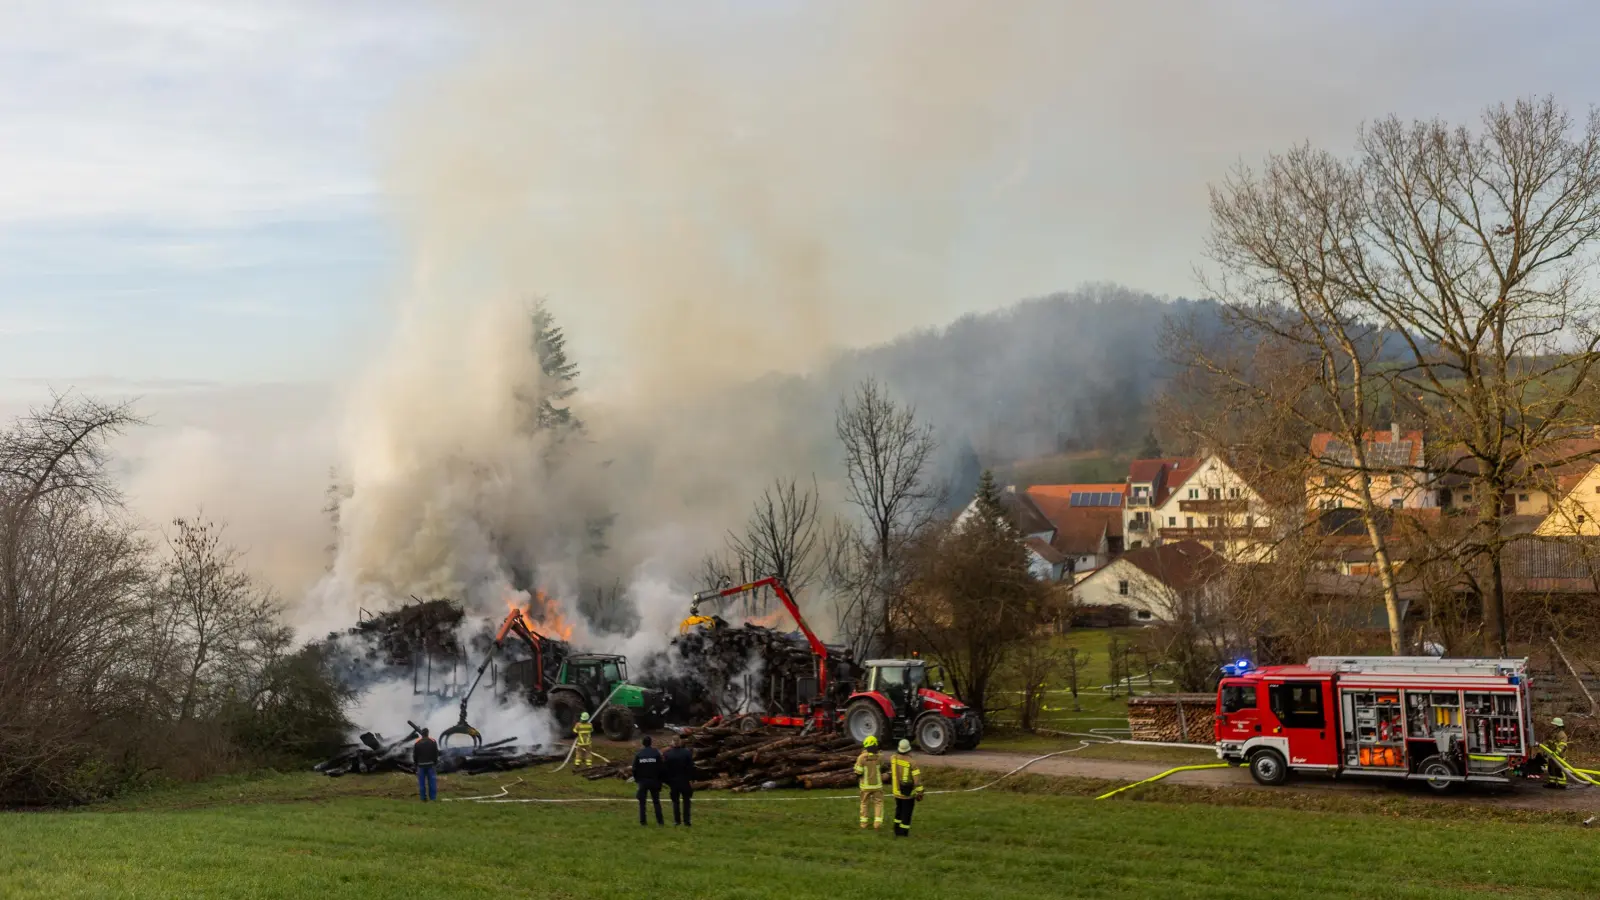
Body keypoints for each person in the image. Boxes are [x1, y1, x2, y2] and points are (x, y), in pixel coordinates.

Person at [889, 739, 924, 837]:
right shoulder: (912, 762)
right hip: (908, 794)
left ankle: (896, 829)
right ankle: (903, 833)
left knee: (898, 810)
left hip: (896, 792)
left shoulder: (893, 758)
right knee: (906, 814)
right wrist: (920, 792)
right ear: (909, 749)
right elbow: (917, 781)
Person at [632, 735, 665, 825]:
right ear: (651, 743)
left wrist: (637, 780)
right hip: (654, 781)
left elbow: (634, 769)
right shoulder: (656, 753)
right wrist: (660, 780)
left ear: (643, 743)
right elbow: (661, 768)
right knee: (656, 802)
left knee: (642, 803)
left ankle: (643, 822)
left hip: (643, 782)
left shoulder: (639, 754)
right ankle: (660, 822)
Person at [853, 735, 884, 830]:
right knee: (878, 803)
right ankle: (877, 824)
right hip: (877, 786)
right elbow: (881, 768)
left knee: (864, 804)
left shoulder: (861, 758)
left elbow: (858, 772)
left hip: (865, 786)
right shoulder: (880, 757)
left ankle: (863, 824)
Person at [664, 736, 696, 827]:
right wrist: (691, 779)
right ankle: (687, 821)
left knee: (675, 802)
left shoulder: (668, 754)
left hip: (673, 782)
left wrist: (667, 781)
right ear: (680, 742)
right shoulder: (687, 753)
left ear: (672, 743)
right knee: (686, 801)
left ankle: (677, 821)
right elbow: (691, 767)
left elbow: (665, 769)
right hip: (685, 781)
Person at [413, 727, 439, 802]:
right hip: (431, 765)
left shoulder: (417, 742)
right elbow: (436, 753)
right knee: (432, 782)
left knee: (421, 783)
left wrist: (415, 765)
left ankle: (423, 798)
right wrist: (435, 763)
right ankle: (433, 798)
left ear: (422, 734)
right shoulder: (433, 741)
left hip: (420, 766)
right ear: (428, 733)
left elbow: (415, 755)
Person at [1547, 716, 1570, 790]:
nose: (1552, 726)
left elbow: (1562, 745)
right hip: (1551, 754)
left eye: (1554, 725)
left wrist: (1557, 752)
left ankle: (1562, 784)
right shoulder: (1554, 733)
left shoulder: (1562, 734)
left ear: (1557, 726)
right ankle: (1552, 783)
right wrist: (1546, 750)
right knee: (1551, 769)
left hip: (1558, 756)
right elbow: (1549, 742)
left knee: (1558, 770)